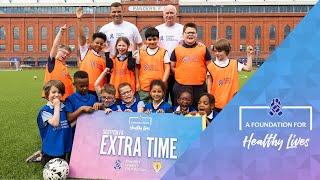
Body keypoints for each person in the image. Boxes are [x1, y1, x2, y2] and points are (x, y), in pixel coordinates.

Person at [171, 22, 212, 108]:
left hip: (199, 87)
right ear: (183, 34)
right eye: (187, 32)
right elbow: (172, 67)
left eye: (193, 32)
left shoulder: (203, 48)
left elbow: (210, 67)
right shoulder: (177, 49)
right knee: (179, 112)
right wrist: (182, 74)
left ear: (196, 34)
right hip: (181, 86)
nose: (190, 35)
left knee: (198, 112)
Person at [207, 38, 253, 112]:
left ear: (226, 51)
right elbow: (209, 85)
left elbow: (248, 68)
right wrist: (210, 100)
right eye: (215, 51)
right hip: (217, 104)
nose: (217, 53)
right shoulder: (211, 66)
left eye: (219, 51)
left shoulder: (234, 63)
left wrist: (249, 55)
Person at [37, 80, 72, 166]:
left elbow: (67, 123)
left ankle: (40, 154)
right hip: (51, 146)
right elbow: (55, 123)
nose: (56, 95)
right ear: (47, 95)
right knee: (49, 165)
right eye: (53, 92)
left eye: (59, 92)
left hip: (61, 146)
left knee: (61, 165)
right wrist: (56, 106)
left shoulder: (64, 108)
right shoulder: (45, 110)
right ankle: (41, 156)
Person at [156, 5, 184, 105]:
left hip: (177, 70)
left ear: (176, 14)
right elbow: (152, 45)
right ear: (163, 15)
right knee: (161, 98)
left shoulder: (182, 29)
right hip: (162, 70)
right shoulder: (158, 29)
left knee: (176, 97)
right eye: (167, 13)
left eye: (171, 13)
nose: (169, 15)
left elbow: (189, 43)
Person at [77, 7, 107, 97]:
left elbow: (104, 78)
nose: (99, 45)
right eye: (97, 43)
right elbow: (82, 37)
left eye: (101, 44)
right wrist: (79, 20)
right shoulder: (85, 51)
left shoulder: (102, 60)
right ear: (92, 42)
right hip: (84, 89)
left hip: (97, 91)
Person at [135, 27, 170, 104]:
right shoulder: (141, 52)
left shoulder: (163, 52)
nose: (152, 41)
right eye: (149, 39)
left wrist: (163, 83)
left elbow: (167, 68)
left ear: (158, 39)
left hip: (158, 89)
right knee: (143, 108)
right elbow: (137, 67)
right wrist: (137, 82)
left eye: (154, 39)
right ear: (146, 40)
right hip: (144, 87)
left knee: (158, 109)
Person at [42, 24, 73, 101]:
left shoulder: (64, 67)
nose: (65, 55)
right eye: (63, 52)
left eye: (67, 55)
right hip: (57, 98)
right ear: (58, 51)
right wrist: (61, 32)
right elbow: (55, 45)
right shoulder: (52, 62)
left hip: (67, 98)